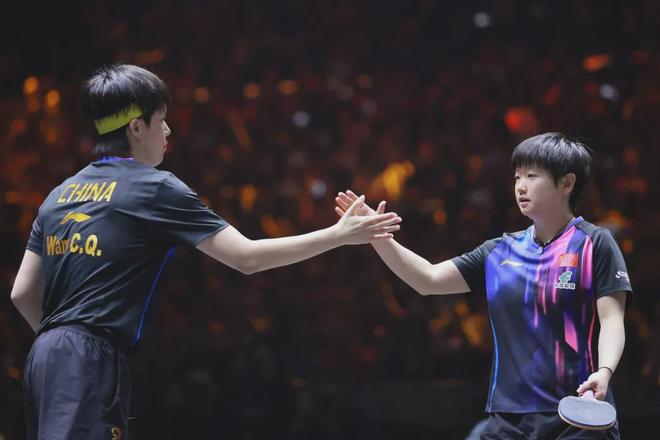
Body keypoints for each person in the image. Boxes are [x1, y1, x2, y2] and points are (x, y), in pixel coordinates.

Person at [9, 63, 401, 439]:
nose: (168, 129)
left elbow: (22, 293)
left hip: (44, 356)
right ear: (136, 127)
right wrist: (338, 234)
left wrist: (60, 346)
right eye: (161, 119)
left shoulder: (58, 196)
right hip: (89, 356)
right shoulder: (154, 187)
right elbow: (246, 257)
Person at [335, 133, 631, 439]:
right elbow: (427, 279)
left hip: (579, 413)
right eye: (517, 177)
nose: (520, 186)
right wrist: (376, 234)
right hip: (509, 418)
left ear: (567, 183)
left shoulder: (594, 243)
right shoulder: (499, 251)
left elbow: (612, 318)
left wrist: (605, 371)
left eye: (532, 176)